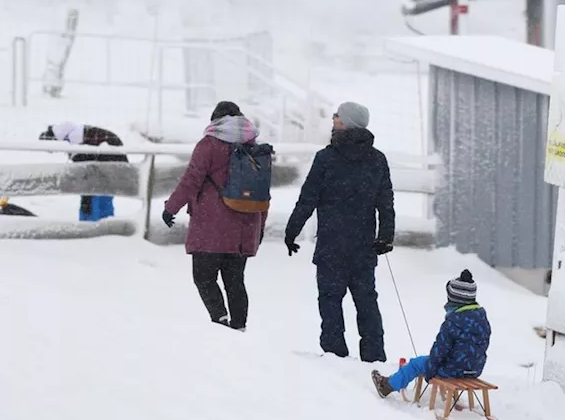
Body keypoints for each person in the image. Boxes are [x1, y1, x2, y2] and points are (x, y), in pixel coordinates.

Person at [285, 101, 395, 362]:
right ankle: (374, 354)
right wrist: (385, 237)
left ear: (346, 123)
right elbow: (385, 202)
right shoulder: (377, 159)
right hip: (364, 245)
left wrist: (292, 231)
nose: (333, 118)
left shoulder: (326, 158)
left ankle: (335, 353)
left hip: (331, 244)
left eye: (337, 115)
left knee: (330, 299)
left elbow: (307, 198)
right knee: (367, 301)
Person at [162, 101, 268, 330]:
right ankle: (239, 326)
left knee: (204, 278)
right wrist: (260, 228)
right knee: (235, 281)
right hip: (245, 225)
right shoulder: (254, 147)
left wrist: (171, 208)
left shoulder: (209, 144)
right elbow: (262, 192)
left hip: (211, 226)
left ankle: (220, 321)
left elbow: (191, 180)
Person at [371, 269, 491, 397]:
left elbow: (440, 349)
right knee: (444, 359)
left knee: (415, 364)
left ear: (454, 299)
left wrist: (430, 369)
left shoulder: (453, 321)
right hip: (475, 369)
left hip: (452, 370)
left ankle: (386, 386)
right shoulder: (482, 319)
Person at [38, 122, 127, 221]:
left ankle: (95, 226)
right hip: (108, 161)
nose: (53, 152)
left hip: (109, 161)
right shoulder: (70, 134)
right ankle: (100, 223)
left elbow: (85, 172)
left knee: (96, 196)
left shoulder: (77, 143)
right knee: (99, 195)